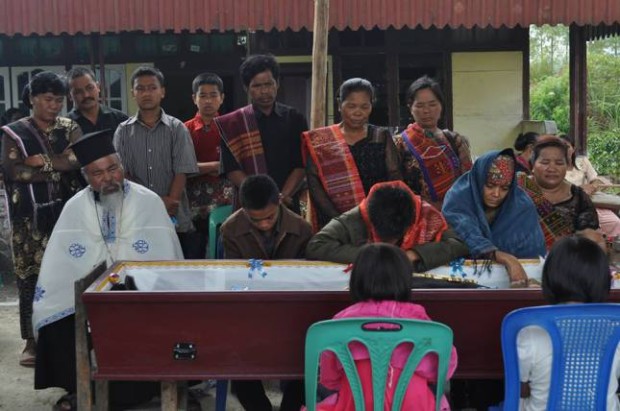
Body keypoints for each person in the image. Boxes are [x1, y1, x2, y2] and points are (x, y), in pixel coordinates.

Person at [32, 129, 184, 411]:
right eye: (98, 173)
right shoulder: (74, 207)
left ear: (121, 166)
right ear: (86, 177)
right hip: (87, 298)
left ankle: (148, 390)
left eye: (113, 169)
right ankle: (82, 389)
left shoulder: (149, 201)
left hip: (141, 296)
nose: (108, 178)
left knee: (162, 320)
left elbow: (164, 257)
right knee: (57, 324)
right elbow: (62, 263)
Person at [310, 243, 458, 411]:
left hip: (356, 405)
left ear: (357, 280)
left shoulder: (340, 323)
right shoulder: (421, 322)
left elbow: (329, 379)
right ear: (405, 279)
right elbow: (443, 370)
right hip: (416, 405)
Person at [1, 72, 84, 367]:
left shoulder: (69, 127)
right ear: (32, 99)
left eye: (59, 100)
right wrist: (58, 166)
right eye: (49, 99)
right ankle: (32, 341)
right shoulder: (14, 132)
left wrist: (44, 162)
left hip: (67, 212)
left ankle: (70, 337)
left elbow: (78, 159)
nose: (55, 106)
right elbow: (14, 171)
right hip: (28, 218)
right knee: (30, 276)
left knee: (70, 272)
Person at [220, 174, 311, 411]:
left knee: (307, 357)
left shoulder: (301, 228)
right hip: (249, 308)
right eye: (255, 219)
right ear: (244, 210)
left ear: (279, 201)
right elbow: (233, 278)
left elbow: (306, 279)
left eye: (269, 217)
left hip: (291, 309)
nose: (264, 224)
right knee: (235, 355)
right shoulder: (231, 229)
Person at [517, 235, 620, 411]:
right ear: (603, 280)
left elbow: (521, 388)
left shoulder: (530, 331)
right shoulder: (616, 330)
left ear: (548, 278)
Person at [113, 66, 199, 258]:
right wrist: (156, 202)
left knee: (178, 270)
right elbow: (122, 174)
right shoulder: (123, 131)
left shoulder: (177, 128)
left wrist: (171, 202)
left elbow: (182, 170)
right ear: (133, 93)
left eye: (152, 88)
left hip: (174, 216)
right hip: (137, 217)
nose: (146, 93)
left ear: (162, 92)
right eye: (140, 88)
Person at [302, 78, 403, 230]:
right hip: (335, 225)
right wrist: (340, 221)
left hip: (377, 222)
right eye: (351, 106)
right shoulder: (322, 141)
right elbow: (315, 184)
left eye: (364, 106)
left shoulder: (381, 137)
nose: (358, 112)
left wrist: (384, 213)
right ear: (339, 105)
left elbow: (395, 177)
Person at [214, 54, 307, 212]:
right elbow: (231, 169)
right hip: (250, 205)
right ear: (246, 88)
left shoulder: (295, 118)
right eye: (256, 86)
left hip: (287, 204)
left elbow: (301, 164)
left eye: (269, 84)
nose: (264, 91)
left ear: (277, 83)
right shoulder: (233, 124)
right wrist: (259, 197)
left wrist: (282, 197)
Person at [305, 180, 469, 270]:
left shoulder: (425, 214)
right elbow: (316, 245)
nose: (390, 243)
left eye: (395, 238)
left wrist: (414, 254)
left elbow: (461, 242)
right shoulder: (357, 216)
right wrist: (375, 255)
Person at [442, 149, 546, 287]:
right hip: (461, 280)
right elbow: (465, 234)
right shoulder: (459, 198)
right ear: (479, 180)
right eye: (490, 186)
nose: (496, 194)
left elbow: (533, 257)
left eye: (504, 188)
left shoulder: (521, 205)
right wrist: (505, 258)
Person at [394, 75, 472, 209]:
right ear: (410, 108)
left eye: (432, 104)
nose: (426, 111)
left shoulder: (454, 140)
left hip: (455, 213)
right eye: (420, 105)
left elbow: (468, 181)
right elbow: (396, 186)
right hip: (417, 214)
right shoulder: (399, 143)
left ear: (441, 106)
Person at [517, 135, 600, 250]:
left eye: (559, 163)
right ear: (533, 165)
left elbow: (588, 233)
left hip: (564, 256)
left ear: (567, 166)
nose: (552, 168)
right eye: (545, 162)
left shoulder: (578, 196)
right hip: (519, 256)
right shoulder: (518, 188)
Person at [184, 72, 232, 258]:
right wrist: (215, 165)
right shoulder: (183, 129)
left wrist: (200, 167)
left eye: (213, 95)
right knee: (193, 254)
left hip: (225, 202)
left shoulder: (230, 127)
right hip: (192, 205)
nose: (208, 101)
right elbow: (181, 167)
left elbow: (237, 164)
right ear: (194, 99)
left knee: (223, 253)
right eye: (203, 95)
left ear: (222, 98)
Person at [558, 133, 620, 238]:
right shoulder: (555, 167)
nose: (564, 150)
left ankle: (609, 245)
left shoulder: (582, 162)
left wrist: (592, 187)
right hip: (570, 207)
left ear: (573, 148)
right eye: (560, 147)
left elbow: (595, 180)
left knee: (614, 221)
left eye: (567, 146)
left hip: (591, 202)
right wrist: (579, 190)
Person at [66, 67, 128, 135]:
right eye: (78, 92)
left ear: (98, 87)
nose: (86, 95)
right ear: (70, 96)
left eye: (90, 88)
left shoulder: (120, 120)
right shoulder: (64, 127)